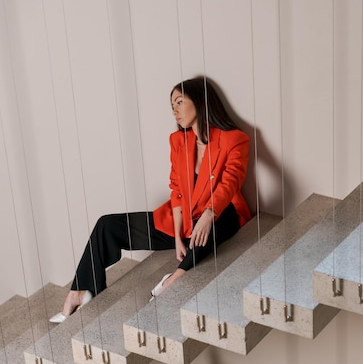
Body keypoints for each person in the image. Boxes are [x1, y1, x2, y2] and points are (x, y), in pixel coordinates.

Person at [50, 76, 251, 323]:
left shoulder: (234, 139)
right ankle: (80, 291)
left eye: (179, 102)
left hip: (219, 216)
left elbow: (231, 181)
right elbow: (176, 189)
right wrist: (178, 236)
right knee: (107, 225)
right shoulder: (178, 141)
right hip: (184, 221)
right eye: (172, 106)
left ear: (200, 101)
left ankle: (175, 277)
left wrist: (210, 212)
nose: (175, 110)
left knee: (222, 217)